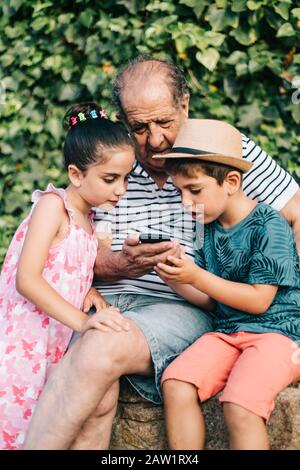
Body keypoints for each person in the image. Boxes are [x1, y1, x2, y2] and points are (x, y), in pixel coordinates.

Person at [24, 55, 300, 450]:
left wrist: (291, 316)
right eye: (139, 127)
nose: (154, 141)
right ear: (122, 120)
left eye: (165, 123)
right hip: (108, 298)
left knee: (99, 346)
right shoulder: (111, 158)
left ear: (184, 105)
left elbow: (297, 211)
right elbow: (67, 229)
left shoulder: (217, 151)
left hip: (181, 306)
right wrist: (109, 265)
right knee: (98, 397)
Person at [155, 118, 300, 450]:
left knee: (240, 401)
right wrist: (175, 277)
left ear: (231, 181)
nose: (186, 203)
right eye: (180, 192)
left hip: (279, 334)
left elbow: (260, 301)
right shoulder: (209, 228)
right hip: (229, 331)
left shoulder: (268, 224)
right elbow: (210, 300)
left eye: (195, 191)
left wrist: (197, 276)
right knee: (176, 382)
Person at [0, 102, 135, 450]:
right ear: (76, 175)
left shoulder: (88, 222)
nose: (120, 190)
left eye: (125, 178)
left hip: (53, 345)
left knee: (48, 424)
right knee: (16, 426)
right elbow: (27, 278)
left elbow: (62, 265)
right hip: (22, 344)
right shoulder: (52, 207)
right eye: (110, 179)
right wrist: (81, 321)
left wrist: (87, 288)